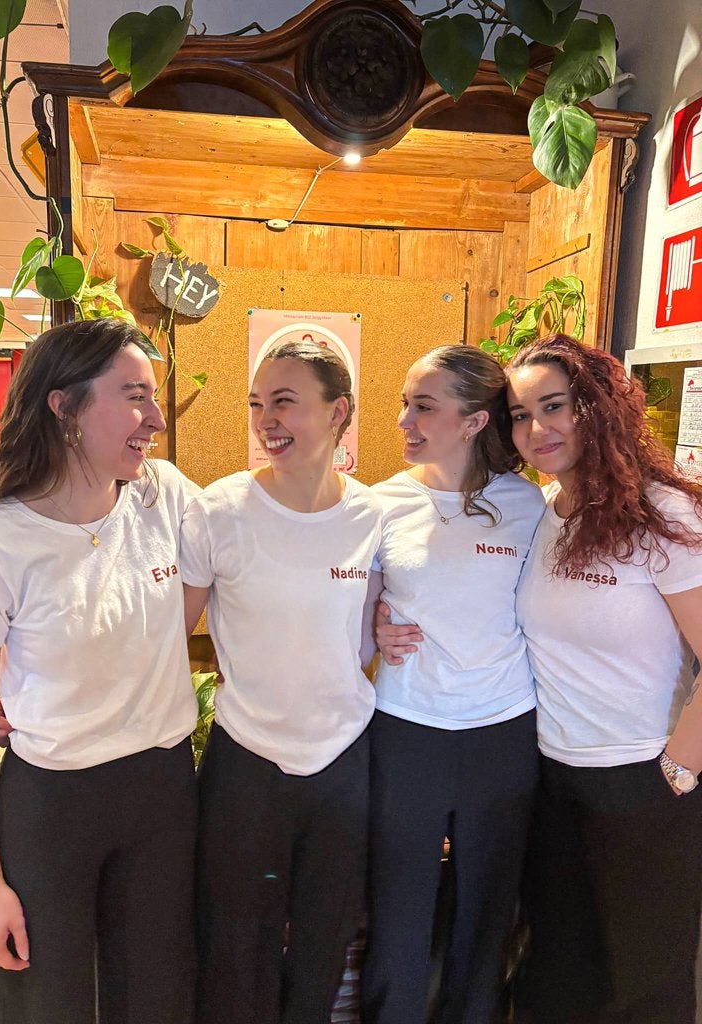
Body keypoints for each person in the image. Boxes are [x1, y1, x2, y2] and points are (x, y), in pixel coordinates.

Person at [0, 319, 200, 1024]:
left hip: (163, 789)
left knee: (155, 994)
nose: (155, 419)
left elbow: (248, 556)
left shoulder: (164, 496)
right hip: (53, 804)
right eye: (135, 397)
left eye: (154, 397)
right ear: (64, 406)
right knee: (45, 999)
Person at [179, 339, 382, 1024]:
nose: (267, 420)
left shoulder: (371, 516)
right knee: (237, 946)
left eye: (286, 402)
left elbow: (378, 624)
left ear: (339, 412)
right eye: (257, 403)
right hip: (248, 764)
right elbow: (164, 637)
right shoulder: (221, 509)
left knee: (326, 941)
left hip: (342, 762)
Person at [505, 334, 702, 1024]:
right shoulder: (544, 512)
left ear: (597, 406)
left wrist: (678, 769)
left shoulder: (661, 513)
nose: (537, 428)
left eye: (553, 406)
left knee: (644, 989)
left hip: (642, 781)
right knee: (561, 979)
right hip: (554, 780)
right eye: (521, 414)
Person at [360, 345, 545, 1024]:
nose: (404, 421)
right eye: (404, 404)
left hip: (502, 731)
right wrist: (374, 627)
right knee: (398, 911)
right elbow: (355, 617)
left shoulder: (528, 504)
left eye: (423, 406)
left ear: (473, 421)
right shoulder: (381, 504)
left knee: (486, 912)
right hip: (407, 728)